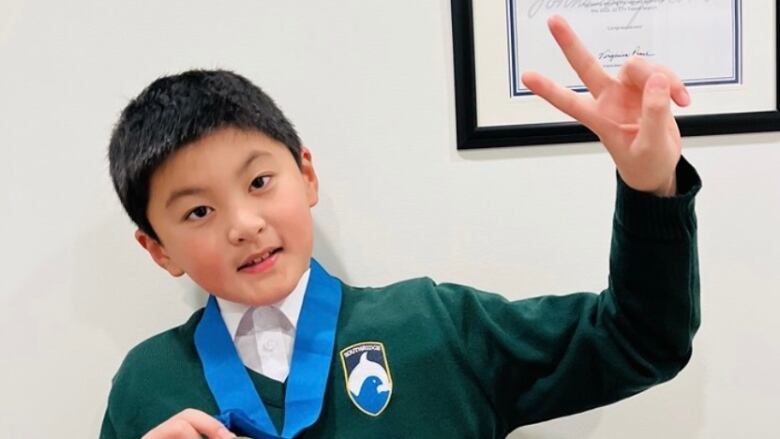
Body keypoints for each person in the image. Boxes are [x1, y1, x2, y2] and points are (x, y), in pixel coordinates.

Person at [100, 16, 701, 439]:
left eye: (259, 182)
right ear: (157, 250)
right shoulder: (147, 384)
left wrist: (652, 186)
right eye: (198, 212)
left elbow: (641, 339)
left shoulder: (438, 329)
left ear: (306, 176)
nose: (243, 225)